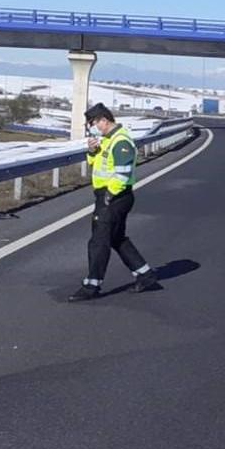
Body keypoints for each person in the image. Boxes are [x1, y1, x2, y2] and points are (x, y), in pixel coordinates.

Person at [68, 103, 159, 301]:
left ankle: (92, 285)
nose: (92, 127)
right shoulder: (107, 140)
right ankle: (145, 274)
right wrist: (92, 151)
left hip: (114, 197)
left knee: (99, 242)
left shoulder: (121, 141)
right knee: (116, 238)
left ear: (103, 119)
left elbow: (123, 173)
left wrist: (109, 196)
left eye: (93, 123)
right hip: (109, 196)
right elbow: (99, 164)